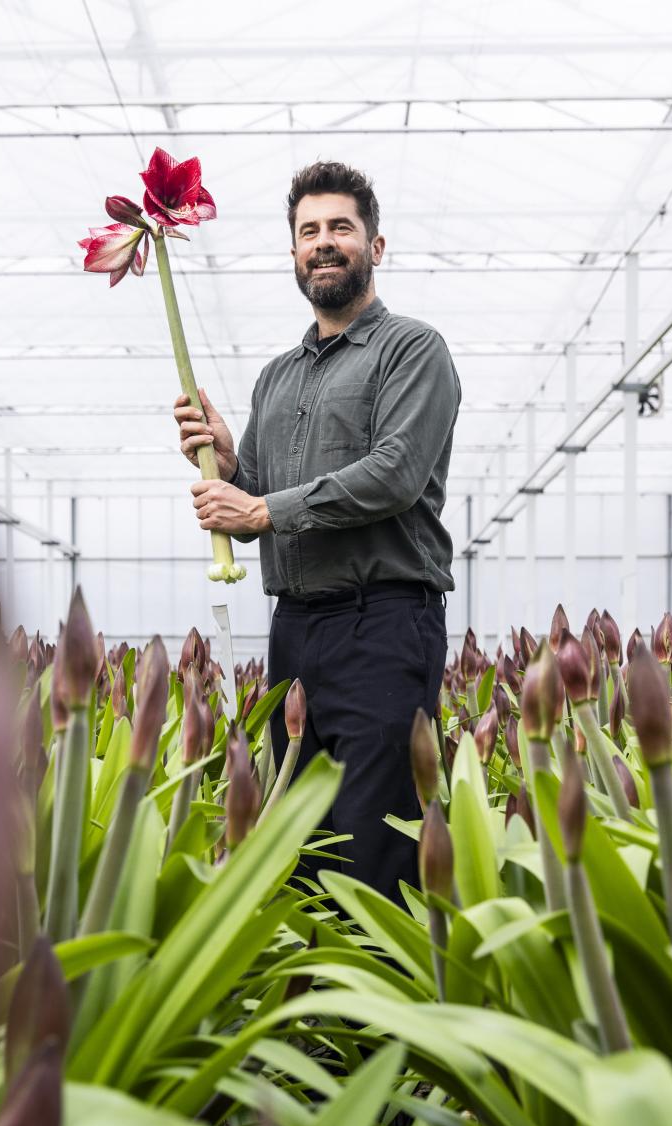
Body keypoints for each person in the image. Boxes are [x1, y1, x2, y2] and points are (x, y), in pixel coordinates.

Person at [172, 160, 460, 905]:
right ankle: (310, 1016)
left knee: (373, 846)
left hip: (384, 625)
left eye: (341, 228)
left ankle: (377, 1018)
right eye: (309, 232)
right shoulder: (276, 378)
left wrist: (260, 511)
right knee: (296, 840)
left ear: (376, 244)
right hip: (295, 632)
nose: (323, 243)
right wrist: (232, 471)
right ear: (293, 252)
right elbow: (257, 504)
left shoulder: (412, 349)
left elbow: (394, 473)